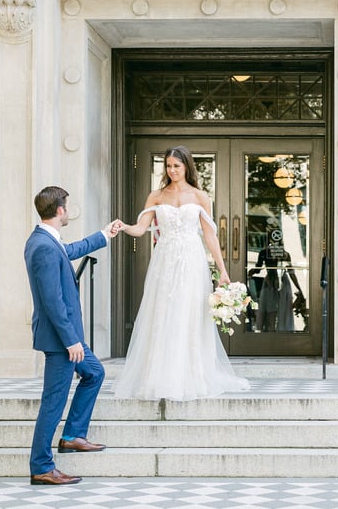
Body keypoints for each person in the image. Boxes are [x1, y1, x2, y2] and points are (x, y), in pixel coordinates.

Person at [113, 146, 249, 401]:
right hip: (164, 261)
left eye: (176, 165)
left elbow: (210, 235)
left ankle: (192, 375)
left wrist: (222, 271)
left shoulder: (200, 196)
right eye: (168, 166)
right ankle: (158, 377)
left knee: (188, 313)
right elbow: (141, 229)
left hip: (191, 259)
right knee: (162, 312)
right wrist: (123, 227)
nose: (172, 170)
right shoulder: (156, 195)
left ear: (186, 166)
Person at [24, 185, 121, 486]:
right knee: (52, 403)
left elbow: (71, 251)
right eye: (67, 206)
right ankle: (41, 466)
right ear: (61, 210)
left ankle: (73, 435)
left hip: (67, 338)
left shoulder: (46, 241)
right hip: (61, 341)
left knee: (94, 372)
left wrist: (104, 235)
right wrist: (71, 341)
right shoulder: (42, 247)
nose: (69, 210)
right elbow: (53, 301)